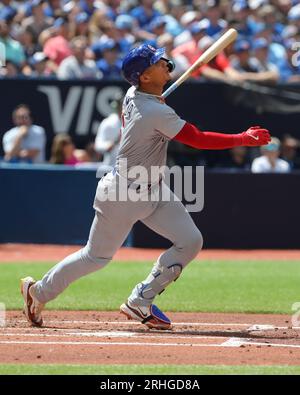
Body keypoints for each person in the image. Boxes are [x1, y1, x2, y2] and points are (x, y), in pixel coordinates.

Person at [20, 44, 270, 330]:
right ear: (144, 77)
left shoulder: (136, 95)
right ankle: (37, 292)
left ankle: (141, 299)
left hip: (153, 188)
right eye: (156, 62)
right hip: (122, 193)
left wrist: (156, 96)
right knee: (95, 257)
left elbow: (150, 103)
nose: (164, 62)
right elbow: (197, 139)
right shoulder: (152, 110)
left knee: (190, 240)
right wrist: (242, 138)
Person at [94, 97, 122, 169]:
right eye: (119, 107)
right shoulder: (108, 123)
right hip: (111, 167)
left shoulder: (134, 121)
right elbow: (98, 145)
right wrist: (112, 144)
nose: (121, 109)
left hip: (132, 167)